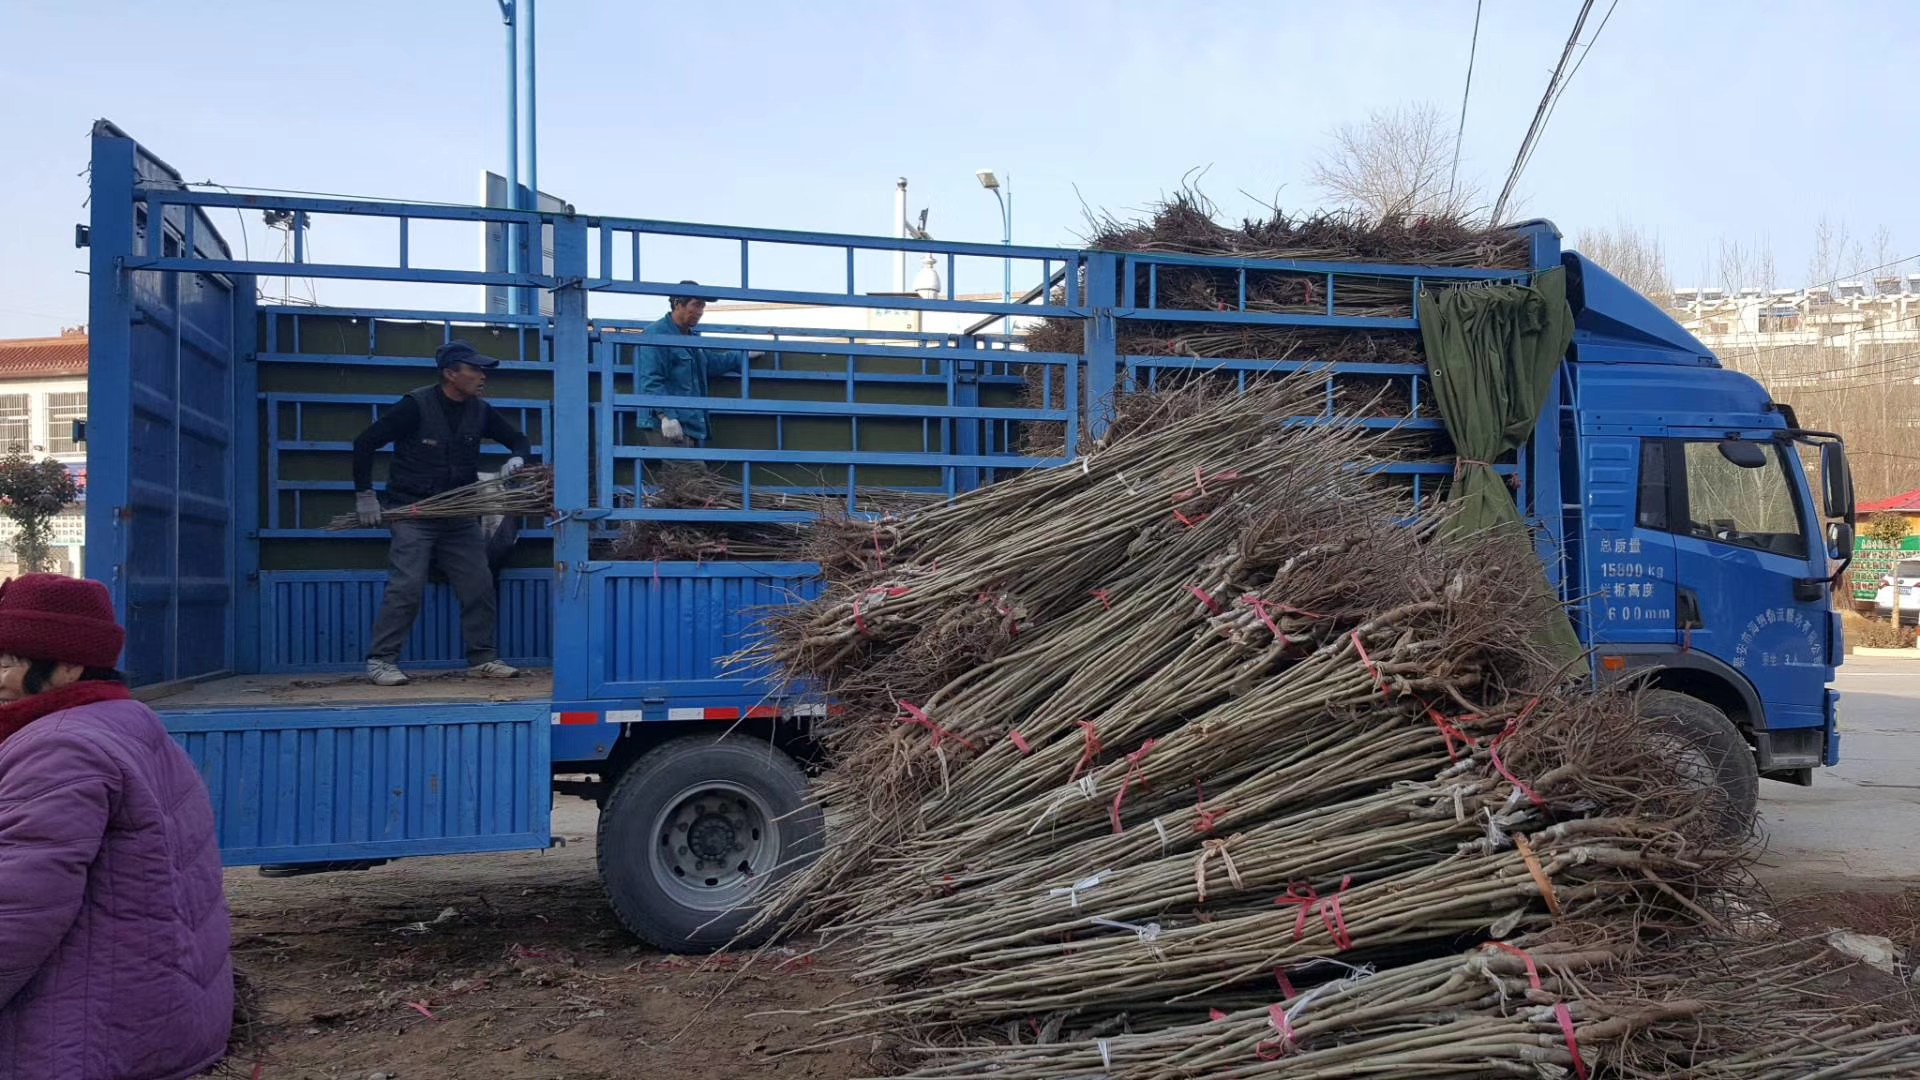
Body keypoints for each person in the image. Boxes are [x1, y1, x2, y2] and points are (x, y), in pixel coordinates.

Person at [0, 573, 234, 1079]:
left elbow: (15, 917)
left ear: (67, 665)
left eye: (8, 661)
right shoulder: (125, 720)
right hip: (151, 1018)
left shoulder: (59, 747)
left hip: (75, 1039)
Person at [352, 339, 534, 686]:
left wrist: (517, 459)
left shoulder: (480, 410)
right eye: (475, 369)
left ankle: (482, 658)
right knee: (407, 585)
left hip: (459, 515)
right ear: (451, 374)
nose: (482, 376)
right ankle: (381, 661)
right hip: (413, 511)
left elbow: (518, 440)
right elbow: (364, 443)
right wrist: (365, 495)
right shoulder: (415, 406)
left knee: (479, 584)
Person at [635, 281, 753, 448]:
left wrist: (742, 355)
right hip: (667, 425)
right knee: (692, 472)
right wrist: (666, 416)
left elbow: (710, 363)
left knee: (684, 473)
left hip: (686, 425)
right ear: (677, 304)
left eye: (703, 307)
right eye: (696, 305)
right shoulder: (656, 334)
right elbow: (651, 378)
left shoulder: (691, 338)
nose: (700, 312)